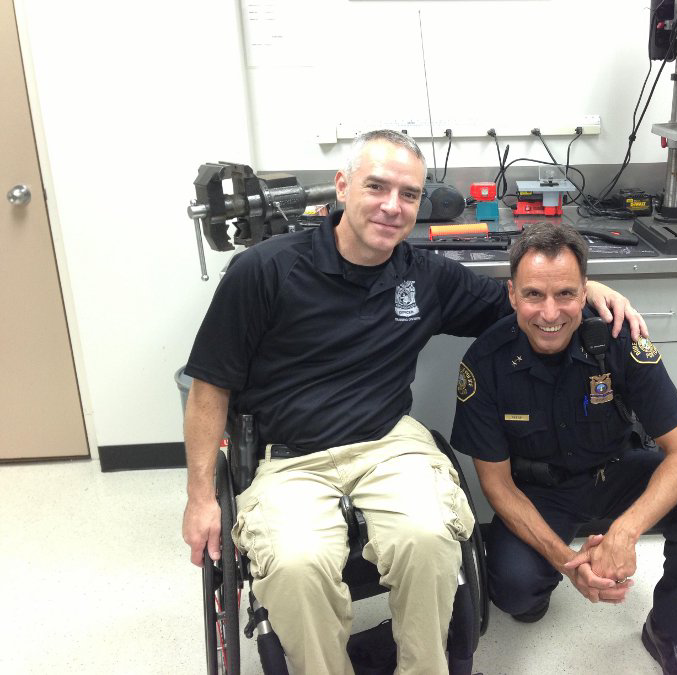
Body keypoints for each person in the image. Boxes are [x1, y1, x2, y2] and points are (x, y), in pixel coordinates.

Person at [181, 130, 647, 674]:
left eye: (408, 194)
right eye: (376, 187)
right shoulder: (264, 270)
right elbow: (209, 387)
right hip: (290, 457)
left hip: (388, 444)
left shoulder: (424, 276)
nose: (392, 206)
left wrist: (587, 290)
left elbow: (527, 305)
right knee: (296, 565)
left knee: (428, 539)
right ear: (342, 186)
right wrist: (200, 498)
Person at [451, 222, 677, 675]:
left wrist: (624, 533)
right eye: (534, 295)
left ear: (585, 293)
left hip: (618, 470)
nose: (550, 313)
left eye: (565, 294)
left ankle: (672, 633)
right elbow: (497, 486)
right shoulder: (485, 364)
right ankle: (538, 584)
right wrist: (568, 564)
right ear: (512, 295)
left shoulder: (619, 338)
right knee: (516, 592)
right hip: (540, 491)